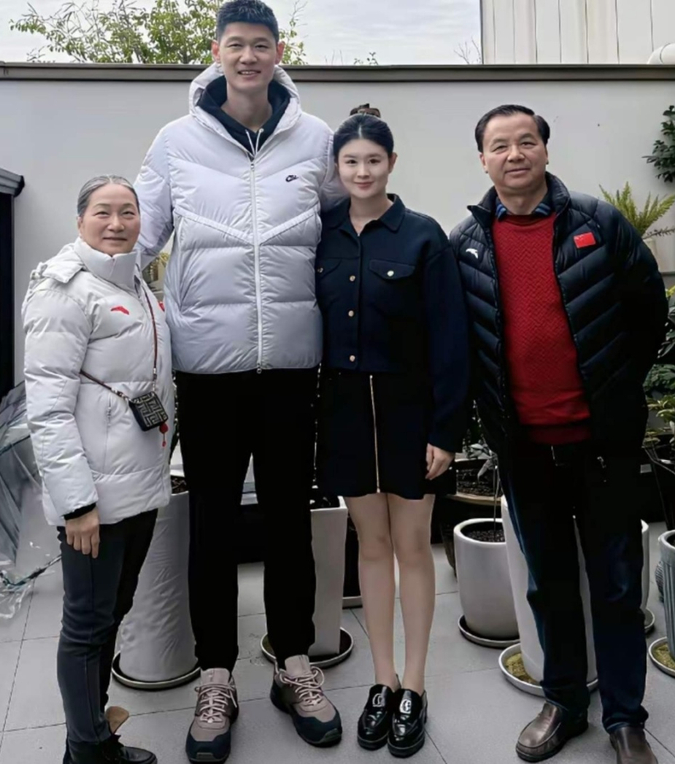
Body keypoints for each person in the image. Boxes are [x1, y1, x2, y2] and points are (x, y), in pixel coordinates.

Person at [133, 1, 343, 761]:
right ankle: (216, 676)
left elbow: (342, 230)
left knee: (290, 522)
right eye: (235, 45)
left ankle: (294, 663)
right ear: (217, 52)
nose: (248, 57)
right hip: (207, 370)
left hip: (290, 366)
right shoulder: (176, 140)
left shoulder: (316, 139)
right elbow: (137, 237)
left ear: (278, 52)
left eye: (261, 45)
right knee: (214, 527)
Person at [450, 104, 667, 764]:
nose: (514, 154)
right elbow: (463, 343)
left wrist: (615, 387)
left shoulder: (599, 224)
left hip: (602, 445)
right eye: (499, 146)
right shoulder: (467, 244)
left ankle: (625, 718)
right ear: (482, 160)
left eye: (526, 141)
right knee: (548, 584)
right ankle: (565, 702)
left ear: (545, 150)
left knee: (617, 585)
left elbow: (647, 311)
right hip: (524, 449)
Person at [316, 111, 468, 758]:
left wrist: (446, 431)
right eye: (350, 162)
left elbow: (451, 341)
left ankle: (415, 683)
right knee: (371, 546)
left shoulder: (423, 236)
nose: (362, 172)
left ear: (391, 164)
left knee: (412, 546)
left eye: (372, 161)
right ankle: (382, 681)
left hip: (411, 413)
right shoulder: (320, 233)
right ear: (337, 168)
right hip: (345, 412)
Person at [22, 176, 174, 764]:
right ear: (80, 220)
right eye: (103, 212)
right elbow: (48, 408)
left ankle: (89, 737)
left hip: (136, 487)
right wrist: (77, 505)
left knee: (111, 613)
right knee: (87, 626)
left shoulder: (133, 282)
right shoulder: (64, 290)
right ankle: (88, 752)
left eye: (128, 212)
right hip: (93, 500)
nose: (117, 223)